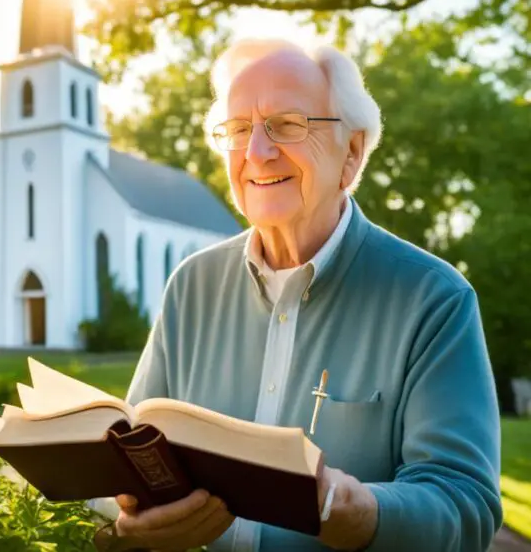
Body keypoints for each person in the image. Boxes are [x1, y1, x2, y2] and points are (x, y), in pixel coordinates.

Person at [100, 37, 503, 551]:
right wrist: (129, 516)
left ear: (351, 153)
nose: (256, 153)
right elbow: (132, 455)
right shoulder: (190, 286)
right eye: (239, 129)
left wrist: (350, 510)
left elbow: (464, 505)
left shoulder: (435, 299)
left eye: (287, 126)